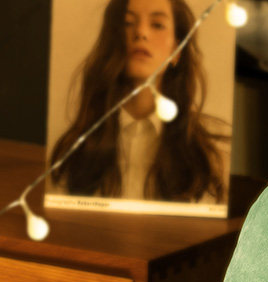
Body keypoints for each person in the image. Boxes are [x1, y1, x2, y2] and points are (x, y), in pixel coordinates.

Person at [49, 0, 230, 204]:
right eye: (128, 23)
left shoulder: (208, 156)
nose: (141, 33)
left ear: (176, 50)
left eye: (157, 25)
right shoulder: (75, 152)